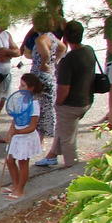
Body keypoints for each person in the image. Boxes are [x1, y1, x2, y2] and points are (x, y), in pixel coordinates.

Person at [36, 21, 96, 168]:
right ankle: (52, 155)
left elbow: (63, 89)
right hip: (86, 99)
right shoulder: (89, 50)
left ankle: (72, 169)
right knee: (63, 129)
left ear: (66, 38)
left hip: (71, 104)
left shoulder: (68, 61)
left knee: (68, 139)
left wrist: (58, 103)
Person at [27, 12, 66, 138]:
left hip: (39, 75)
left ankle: (36, 135)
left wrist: (44, 63)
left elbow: (45, 54)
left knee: (36, 107)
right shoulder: (52, 36)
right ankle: (42, 136)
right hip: (49, 75)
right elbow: (62, 48)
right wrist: (55, 61)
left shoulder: (40, 39)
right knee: (46, 108)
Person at [5, 74, 44, 200]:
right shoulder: (19, 100)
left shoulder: (34, 104)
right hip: (17, 135)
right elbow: (15, 118)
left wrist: (17, 132)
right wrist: (11, 131)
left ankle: (20, 189)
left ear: (31, 88)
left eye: (23, 85)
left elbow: (32, 127)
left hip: (26, 137)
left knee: (23, 163)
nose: (19, 87)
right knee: (10, 160)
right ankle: (15, 184)